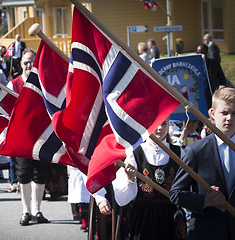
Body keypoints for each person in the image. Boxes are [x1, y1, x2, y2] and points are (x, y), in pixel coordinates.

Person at [99, 118, 186, 240]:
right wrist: (130, 179)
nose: (160, 128)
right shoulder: (135, 152)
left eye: (164, 123)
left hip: (169, 215)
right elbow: (122, 199)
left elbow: (186, 184)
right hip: (143, 216)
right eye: (156, 124)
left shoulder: (179, 152)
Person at [170, 86, 235, 240]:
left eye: (234, 113)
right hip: (206, 232)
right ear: (212, 114)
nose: (229, 118)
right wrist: (205, 200)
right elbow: (175, 193)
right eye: (224, 113)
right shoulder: (196, 150)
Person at [7, 48, 50, 226]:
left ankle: (36, 210)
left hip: (41, 137)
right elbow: (8, 115)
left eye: (32, 61)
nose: (28, 65)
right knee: (23, 174)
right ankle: (25, 211)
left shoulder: (44, 83)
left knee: (40, 175)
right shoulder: (14, 84)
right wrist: (6, 139)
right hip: (22, 138)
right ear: (21, 64)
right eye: (25, 62)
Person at [197, 43, 227, 109]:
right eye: (198, 52)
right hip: (201, 93)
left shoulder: (214, 63)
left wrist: (223, 90)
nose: (200, 54)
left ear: (207, 52)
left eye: (202, 52)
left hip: (212, 91)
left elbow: (221, 78)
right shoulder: (196, 64)